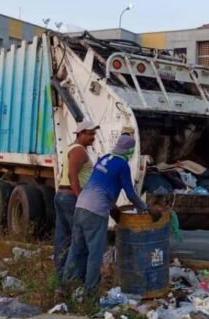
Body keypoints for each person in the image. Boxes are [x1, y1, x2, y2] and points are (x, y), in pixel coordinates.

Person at [64, 134, 160, 293]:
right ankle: (90, 292)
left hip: (81, 205)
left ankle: (64, 287)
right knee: (95, 253)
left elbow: (101, 186)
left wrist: (113, 207)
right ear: (129, 150)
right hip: (96, 211)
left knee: (76, 249)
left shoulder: (105, 158)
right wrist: (145, 208)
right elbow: (130, 193)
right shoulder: (122, 164)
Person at [54, 120, 99, 282]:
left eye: (94, 134)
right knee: (79, 240)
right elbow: (73, 177)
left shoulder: (73, 148)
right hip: (71, 197)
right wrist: (81, 199)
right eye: (89, 134)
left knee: (63, 239)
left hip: (63, 195)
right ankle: (72, 280)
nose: (93, 137)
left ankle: (60, 278)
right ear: (80, 134)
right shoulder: (79, 151)